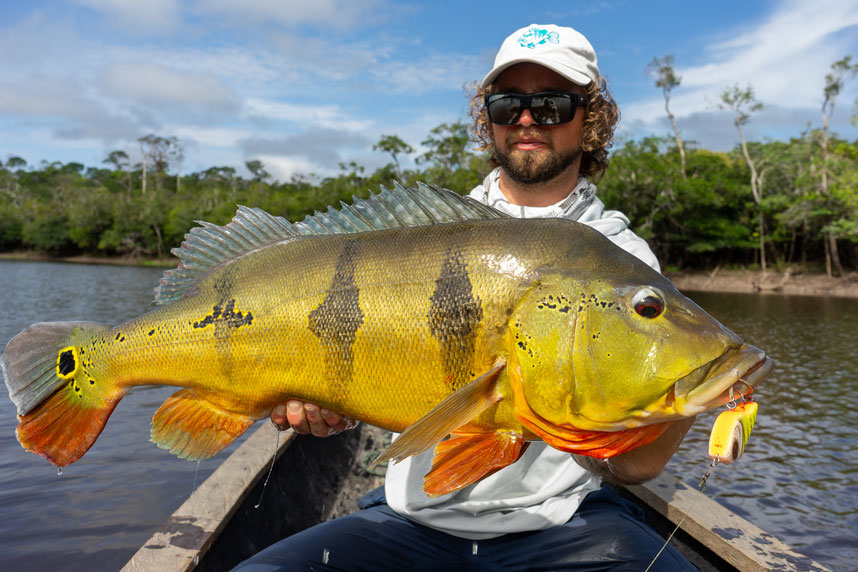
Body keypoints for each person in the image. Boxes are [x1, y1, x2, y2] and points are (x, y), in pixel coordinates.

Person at [237, 24, 698, 571]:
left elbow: (634, 461)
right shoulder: (425, 236)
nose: (527, 120)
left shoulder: (622, 259)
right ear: (490, 119)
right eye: (508, 105)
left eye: (551, 105)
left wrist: (692, 389)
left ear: (590, 117)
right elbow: (379, 365)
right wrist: (329, 409)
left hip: (562, 523)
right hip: (411, 519)